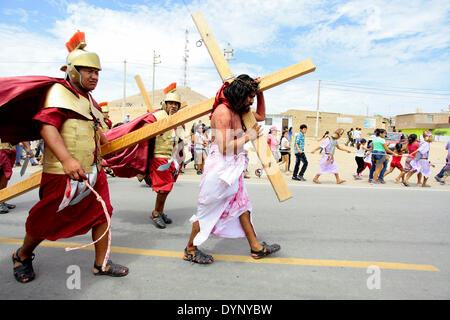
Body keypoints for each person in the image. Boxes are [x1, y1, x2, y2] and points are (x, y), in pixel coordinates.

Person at [0, 31, 129, 283]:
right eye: (88, 71)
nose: (94, 76)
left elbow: (96, 131)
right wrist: (67, 160)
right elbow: (47, 127)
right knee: (46, 221)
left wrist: (111, 140)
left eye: (97, 72)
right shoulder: (59, 92)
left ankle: (101, 263)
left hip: (93, 171)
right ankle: (23, 255)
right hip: (62, 173)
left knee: (103, 213)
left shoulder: (90, 101)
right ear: (72, 71)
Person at [183, 74, 280, 264]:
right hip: (219, 168)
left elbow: (260, 116)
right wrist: (248, 136)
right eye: (250, 96)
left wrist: (261, 93)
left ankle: (256, 247)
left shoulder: (241, 110)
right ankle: (190, 249)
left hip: (234, 166)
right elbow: (224, 147)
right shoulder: (223, 112)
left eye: (253, 97)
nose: (251, 101)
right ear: (239, 94)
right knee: (207, 211)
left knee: (243, 207)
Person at [103, 84, 187, 229]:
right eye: (170, 103)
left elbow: (179, 142)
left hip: (172, 160)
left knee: (167, 188)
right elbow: (141, 132)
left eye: (176, 104)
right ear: (165, 104)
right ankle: (156, 213)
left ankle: (160, 211)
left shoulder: (179, 121)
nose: (173, 106)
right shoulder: (155, 117)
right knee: (163, 188)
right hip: (158, 158)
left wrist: (181, 157)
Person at [0, 138, 17, 213]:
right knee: (4, 173)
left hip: (10, 147)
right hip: (1, 148)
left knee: (5, 174)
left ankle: (2, 199)